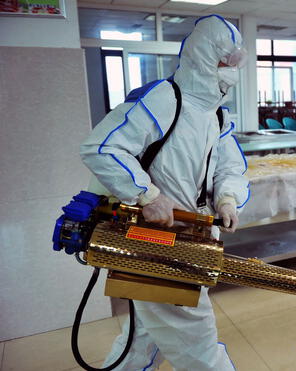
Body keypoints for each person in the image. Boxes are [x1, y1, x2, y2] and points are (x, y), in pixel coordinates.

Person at [80, 14, 249, 370]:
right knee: (196, 342)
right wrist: (148, 195)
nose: (230, 71)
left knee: (144, 334)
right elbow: (101, 148)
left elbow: (230, 166)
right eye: (224, 61)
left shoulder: (214, 114)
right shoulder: (164, 99)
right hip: (156, 240)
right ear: (204, 56)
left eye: (235, 63)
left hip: (195, 236)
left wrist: (227, 197)